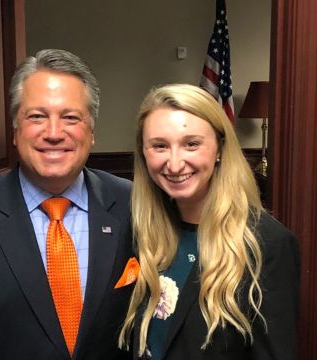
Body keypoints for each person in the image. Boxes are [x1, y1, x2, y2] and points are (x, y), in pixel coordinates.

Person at [0, 49, 134, 360]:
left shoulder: (134, 206)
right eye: (37, 116)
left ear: (92, 131)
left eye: (71, 117)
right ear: (15, 130)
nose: (54, 133)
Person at [118, 83, 299, 359]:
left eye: (191, 144)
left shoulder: (266, 243)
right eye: (159, 146)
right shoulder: (140, 231)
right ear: (143, 153)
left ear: (219, 149)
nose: (175, 163)